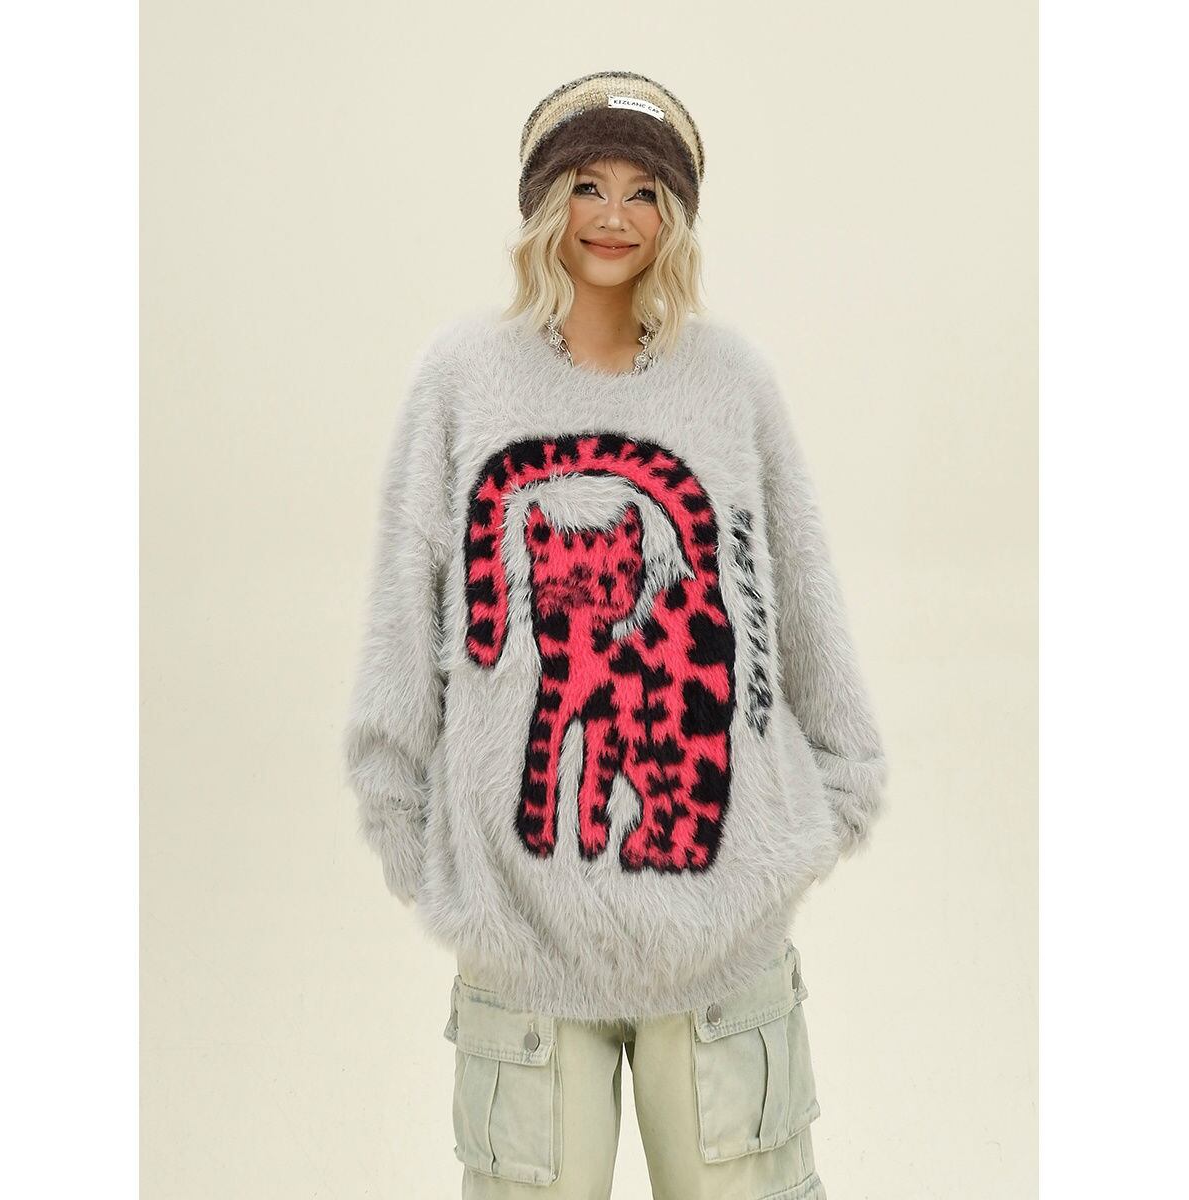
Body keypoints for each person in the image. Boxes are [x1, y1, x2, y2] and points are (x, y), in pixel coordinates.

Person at [343, 69, 889, 1200]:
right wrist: (408, 826)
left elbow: (800, 593)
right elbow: (406, 604)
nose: (612, 216)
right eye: (587, 185)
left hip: (719, 924)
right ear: (545, 203)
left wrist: (831, 798)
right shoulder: (463, 378)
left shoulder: (731, 380)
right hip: (523, 935)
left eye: (644, 193)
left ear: (675, 217)